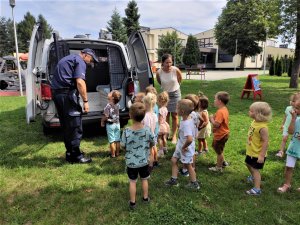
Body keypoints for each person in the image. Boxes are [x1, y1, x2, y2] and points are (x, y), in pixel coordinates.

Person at [51, 48, 98, 163]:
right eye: (91, 59)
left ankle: (70, 153)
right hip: (67, 95)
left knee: (66, 125)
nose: (90, 62)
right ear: (86, 55)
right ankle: (77, 157)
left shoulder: (67, 59)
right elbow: (80, 82)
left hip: (58, 94)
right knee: (75, 125)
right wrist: (86, 102)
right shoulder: (80, 61)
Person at [120, 102, 155, 210]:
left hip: (131, 162)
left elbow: (122, 146)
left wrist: (127, 149)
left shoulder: (126, 131)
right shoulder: (148, 130)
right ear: (144, 115)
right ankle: (145, 198)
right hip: (144, 161)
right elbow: (152, 143)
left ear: (130, 116)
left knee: (132, 182)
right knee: (144, 180)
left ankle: (132, 203)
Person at [165, 99, 200, 190]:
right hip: (180, 145)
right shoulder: (188, 118)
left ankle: (194, 183)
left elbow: (189, 139)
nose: (175, 109)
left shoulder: (187, 124)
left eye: (177, 108)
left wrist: (184, 147)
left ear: (182, 111)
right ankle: (174, 179)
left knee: (189, 165)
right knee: (173, 160)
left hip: (186, 147)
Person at [245, 102, 272, 195]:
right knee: (248, 164)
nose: (249, 112)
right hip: (251, 151)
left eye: (251, 111)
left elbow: (266, 141)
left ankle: (257, 189)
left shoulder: (263, 127)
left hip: (258, 154)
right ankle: (253, 177)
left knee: (255, 170)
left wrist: (261, 155)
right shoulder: (254, 122)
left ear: (258, 114)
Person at [156, 54, 182, 144]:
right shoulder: (159, 72)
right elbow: (159, 81)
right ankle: (166, 133)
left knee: (175, 115)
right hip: (165, 95)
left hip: (175, 94)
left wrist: (175, 86)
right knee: (165, 115)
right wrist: (165, 88)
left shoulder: (175, 70)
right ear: (162, 62)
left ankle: (174, 135)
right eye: (167, 62)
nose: (169, 64)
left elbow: (180, 79)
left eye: (170, 62)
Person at [277, 99, 300, 193]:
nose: (295, 110)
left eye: (297, 108)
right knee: (289, 167)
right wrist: (293, 119)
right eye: (295, 107)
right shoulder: (296, 119)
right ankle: (287, 184)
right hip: (293, 147)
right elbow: (290, 131)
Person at [209, 91, 230, 172]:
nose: (214, 101)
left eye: (215, 99)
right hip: (224, 133)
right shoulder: (224, 109)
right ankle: (223, 162)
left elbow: (216, 124)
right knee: (218, 148)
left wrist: (211, 119)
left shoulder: (220, 112)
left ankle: (218, 167)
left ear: (219, 101)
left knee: (218, 151)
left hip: (221, 134)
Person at [276, 93, 300, 158]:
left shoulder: (298, 112)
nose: (292, 102)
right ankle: (281, 151)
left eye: (294, 101)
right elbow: (285, 116)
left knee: (294, 140)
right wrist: (282, 124)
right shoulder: (288, 108)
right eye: (291, 100)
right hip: (287, 126)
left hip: (296, 128)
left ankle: (293, 151)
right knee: (284, 138)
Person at [101, 90, 122, 158]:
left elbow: (106, 116)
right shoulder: (118, 105)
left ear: (112, 97)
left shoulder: (108, 106)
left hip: (110, 125)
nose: (109, 93)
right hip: (117, 124)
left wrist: (102, 121)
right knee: (117, 140)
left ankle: (113, 154)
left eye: (110, 93)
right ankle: (118, 153)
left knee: (112, 141)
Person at [142, 93, 159, 171]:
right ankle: (153, 163)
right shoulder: (154, 115)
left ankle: (148, 164)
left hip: (146, 136)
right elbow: (155, 125)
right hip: (152, 134)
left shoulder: (145, 116)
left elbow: (143, 126)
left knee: (147, 151)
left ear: (146, 104)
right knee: (152, 149)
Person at [157, 91, 170, 157]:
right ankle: (165, 148)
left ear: (160, 101)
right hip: (165, 125)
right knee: (164, 138)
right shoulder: (166, 109)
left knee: (159, 138)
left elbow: (159, 119)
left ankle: (161, 151)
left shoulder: (160, 110)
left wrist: (157, 125)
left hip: (161, 125)